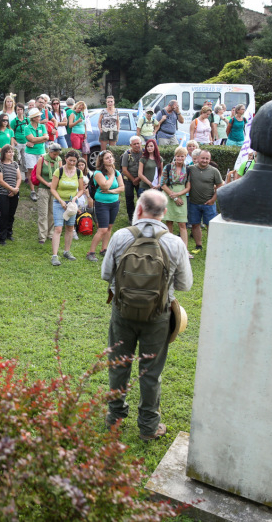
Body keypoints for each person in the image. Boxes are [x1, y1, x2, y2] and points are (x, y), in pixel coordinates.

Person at [101, 189, 193, 441]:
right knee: (151, 372)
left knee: (119, 365)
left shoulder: (121, 236)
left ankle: (114, 418)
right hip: (158, 316)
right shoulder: (175, 242)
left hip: (122, 312)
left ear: (139, 209)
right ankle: (149, 427)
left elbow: (106, 274)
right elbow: (185, 284)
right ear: (164, 213)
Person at [86, 150, 124, 262]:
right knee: (102, 229)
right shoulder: (98, 173)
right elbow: (105, 186)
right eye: (107, 158)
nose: (110, 159)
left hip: (114, 203)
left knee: (109, 227)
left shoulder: (117, 172)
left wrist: (112, 192)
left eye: (111, 157)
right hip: (102, 204)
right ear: (102, 161)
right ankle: (91, 252)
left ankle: (104, 249)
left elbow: (122, 187)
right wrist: (111, 175)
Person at [49, 149, 83, 266]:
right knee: (58, 228)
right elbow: (53, 189)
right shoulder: (59, 171)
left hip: (72, 204)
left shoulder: (78, 172)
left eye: (74, 161)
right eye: (70, 160)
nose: (72, 163)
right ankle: (54, 256)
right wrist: (60, 200)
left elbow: (81, 189)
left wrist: (75, 198)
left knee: (70, 227)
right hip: (59, 203)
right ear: (65, 159)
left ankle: (66, 251)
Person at [186, 150, 223, 254]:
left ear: (210, 160)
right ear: (198, 158)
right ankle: (198, 246)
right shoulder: (190, 169)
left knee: (210, 226)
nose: (204, 160)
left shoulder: (214, 171)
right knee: (195, 225)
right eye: (203, 158)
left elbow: (220, 185)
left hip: (209, 204)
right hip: (193, 203)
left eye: (207, 159)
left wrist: (213, 199)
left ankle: (213, 247)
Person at [161, 146, 190, 252]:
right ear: (175, 156)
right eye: (178, 156)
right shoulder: (168, 167)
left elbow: (188, 187)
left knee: (182, 223)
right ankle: (169, 248)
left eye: (182, 156)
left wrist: (178, 195)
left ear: (185, 157)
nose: (180, 158)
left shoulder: (188, 169)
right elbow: (163, 184)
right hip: (168, 196)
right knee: (169, 222)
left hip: (181, 196)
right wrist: (173, 196)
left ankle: (184, 250)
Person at [35, 142, 62, 245]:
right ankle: (42, 236)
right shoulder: (42, 159)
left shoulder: (59, 160)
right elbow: (38, 175)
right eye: (54, 154)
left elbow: (60, 175)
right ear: (50, 152)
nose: (56, 156)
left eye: (57, 154)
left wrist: (54, 184)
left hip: (54, 190)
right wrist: (47, 183)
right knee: (43, 213)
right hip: (43, 189)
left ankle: (50, 234)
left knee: (52, 213)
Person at [0, 144, 22, 245]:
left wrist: (16, 189)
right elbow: (0, 181)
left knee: (11, 214)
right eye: (9, 152)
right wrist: (12, 189)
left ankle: (9, 233)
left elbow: (19, 178)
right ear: (4, 153)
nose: (11, 154)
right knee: (4, 214)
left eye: (12, 152)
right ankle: (2, 237)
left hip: (14, 193)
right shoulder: (0, 165)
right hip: (3, 193)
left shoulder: (15, 164)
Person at [24, 107, 50, 203]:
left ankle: (40, 190)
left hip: (41, 152)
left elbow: (46, 138)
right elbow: (32, 139)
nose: (40, 117)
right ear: (34, 118)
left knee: (41, 171)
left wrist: (35, 141)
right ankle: (33, 191)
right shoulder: (27, 128)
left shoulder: (42, 126)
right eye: (38, 116)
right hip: (30, 153)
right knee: (31, 171)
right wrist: (42, 139)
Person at [120, 136, 144, 218]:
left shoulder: (145, 153)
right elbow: (124, 170)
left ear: (141, 143)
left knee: (142, 198)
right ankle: (131, 217)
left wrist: (138, 178)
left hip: (141, 179)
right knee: (129, 198)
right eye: (134, 144)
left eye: (138, 143)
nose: (137, 145)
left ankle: (141, 216)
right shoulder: (126, 154)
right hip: (128, 179)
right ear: (131, 145)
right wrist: (133, 180)